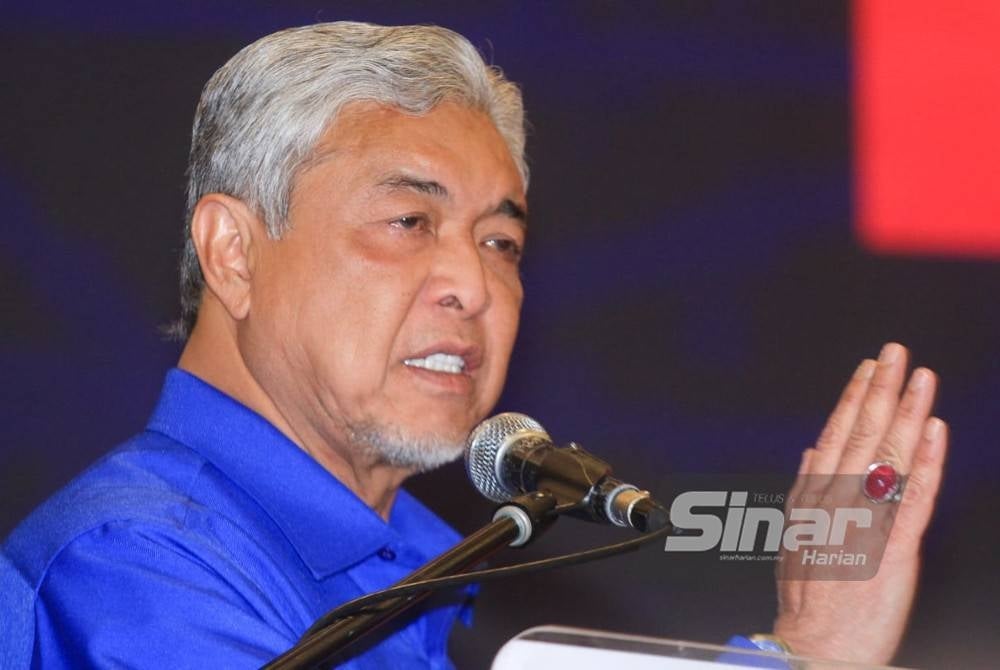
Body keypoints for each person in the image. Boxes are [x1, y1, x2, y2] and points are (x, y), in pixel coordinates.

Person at [0, 21, 948, 668]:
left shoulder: (425, 564)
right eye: (410, 221)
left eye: (502, 242)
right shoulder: (133, 566)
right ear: (234, 252)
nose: (474, 283)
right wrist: (801, 652)